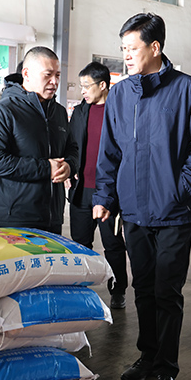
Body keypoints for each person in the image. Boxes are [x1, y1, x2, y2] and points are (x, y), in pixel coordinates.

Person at [93, 13, 191, 380]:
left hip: (174, 212)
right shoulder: (120, 94)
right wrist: (104, 197)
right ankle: (147, 357)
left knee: (167, 291)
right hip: (133, 210)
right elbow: (109, 152)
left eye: (132, 48)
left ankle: (166, 369)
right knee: (143, 289)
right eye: (123, 49)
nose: (126, 56)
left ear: (155, 47)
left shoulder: (186, 90)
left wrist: (182, 186)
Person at [0, 46, 79, 234]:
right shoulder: (4, 110)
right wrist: (46, 168)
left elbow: (72, 148)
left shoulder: (59, 112)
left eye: (58, 75)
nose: (54, 82)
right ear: (26, 74)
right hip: (16, 218)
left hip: (53, 216)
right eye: (48, 75)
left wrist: (69, 166)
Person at [68, 61, 129, 310]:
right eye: (81, 85)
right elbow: (71, 145)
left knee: (113, 245)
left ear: (103, 85)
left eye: (86, 85)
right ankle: (80, 289)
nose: (82, 90)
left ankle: (118, 289)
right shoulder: (80, 112)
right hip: (81, 189)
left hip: (109, 192)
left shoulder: (120, 112)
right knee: (79, 244)